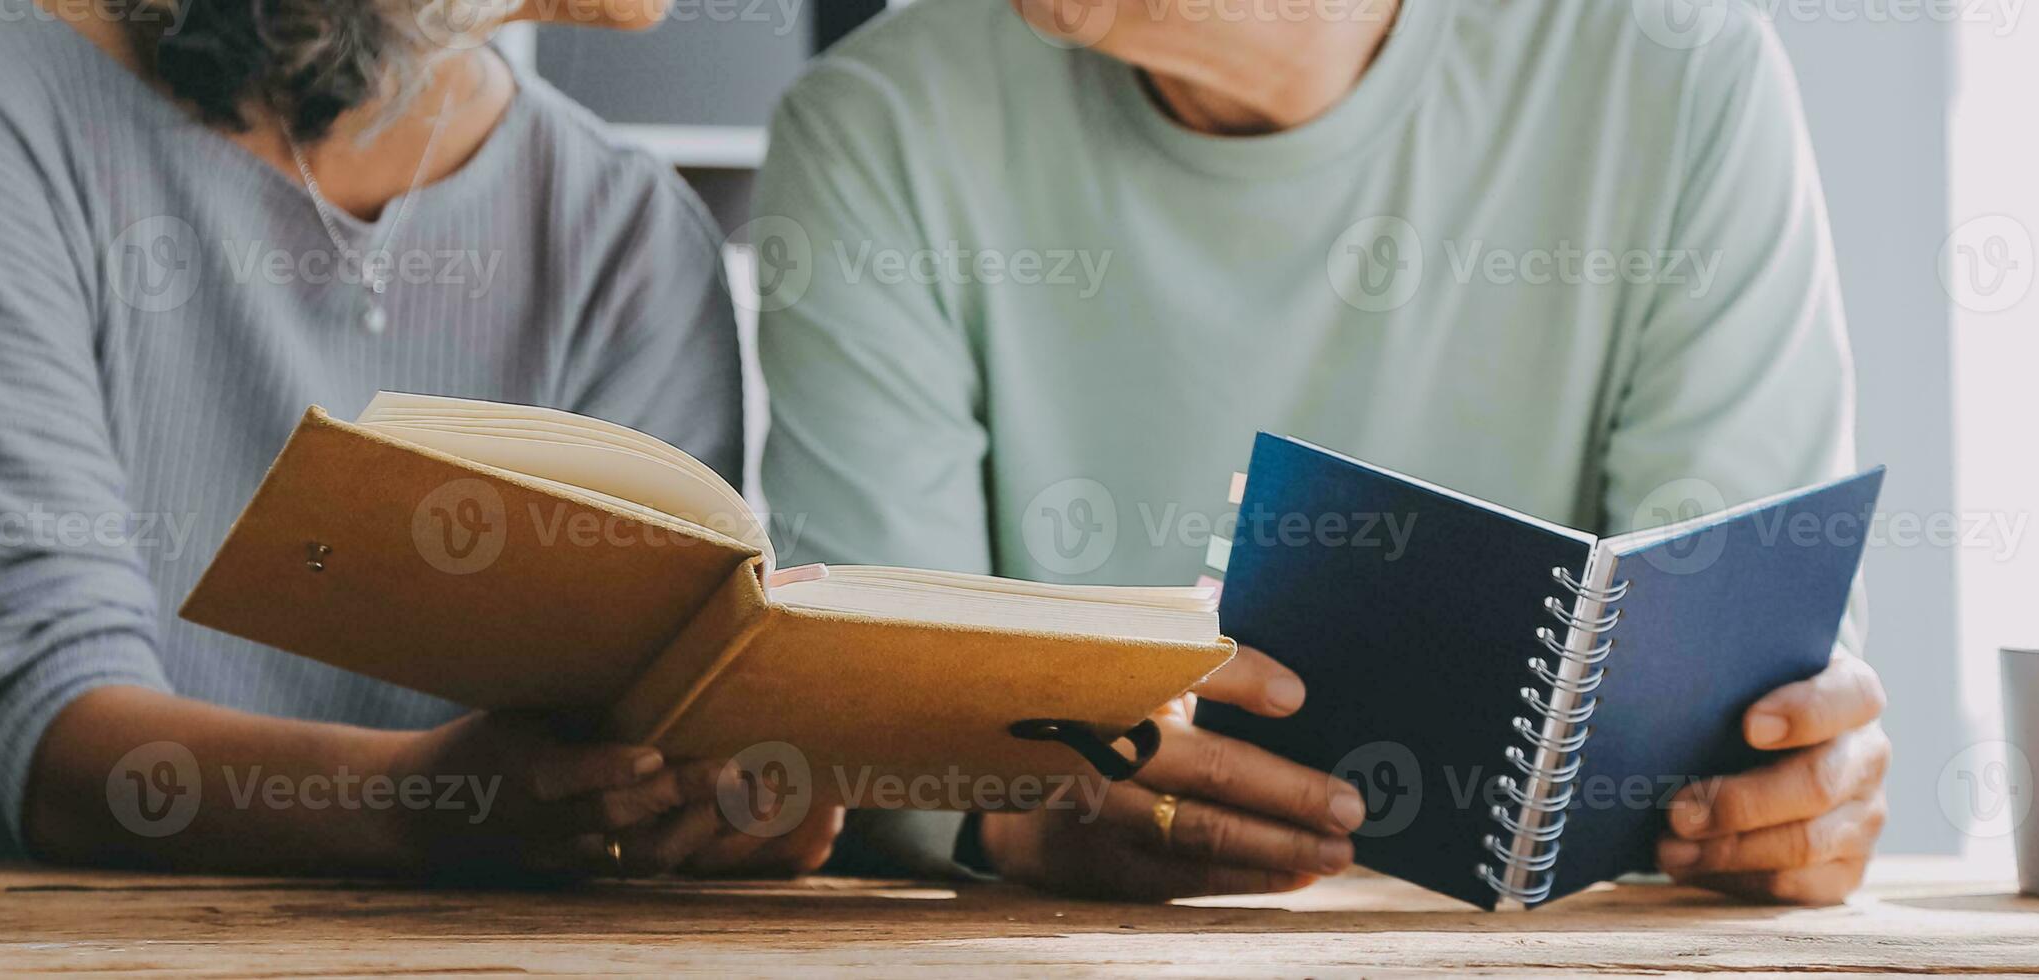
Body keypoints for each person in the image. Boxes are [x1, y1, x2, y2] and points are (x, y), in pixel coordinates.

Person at [755, 0, 1889, 903]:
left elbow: (1747, 713)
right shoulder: (877, 122)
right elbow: (872, 736)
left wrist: (1779, 798)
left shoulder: (1680, 73)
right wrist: (1004, 819)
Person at [0, 0, 841, 878]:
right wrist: (425, 806)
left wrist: (707, 811)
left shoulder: (628, 232)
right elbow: (55, 740)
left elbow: (612, 743)